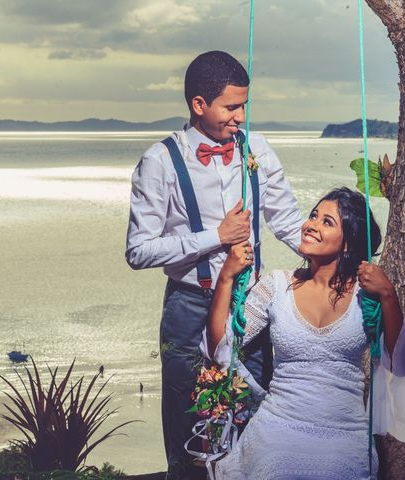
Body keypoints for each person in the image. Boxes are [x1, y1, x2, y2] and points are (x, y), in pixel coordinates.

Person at [126, 50, 303, 479]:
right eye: (231, 106)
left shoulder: (256, 149)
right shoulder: (160, 161)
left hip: (252, 308)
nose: (240, 116)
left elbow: (288, 221)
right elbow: (138, 250)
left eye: (244, 105)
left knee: (254, 414)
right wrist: (216, 237)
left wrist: (341, 264)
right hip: (190, 307)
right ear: (199, 105)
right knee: (191, 427)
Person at [204, 187, 405, 479]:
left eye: (327, 221)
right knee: (275, 469)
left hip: (345, 431)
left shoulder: (367, 295)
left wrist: (388, 295)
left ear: (347, 243)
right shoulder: (276, 287)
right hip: (279, 425)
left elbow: (401, 364)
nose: (310, 225)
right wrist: (226, 277)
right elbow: (220, 347)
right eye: (313, 216)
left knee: (340, 471)